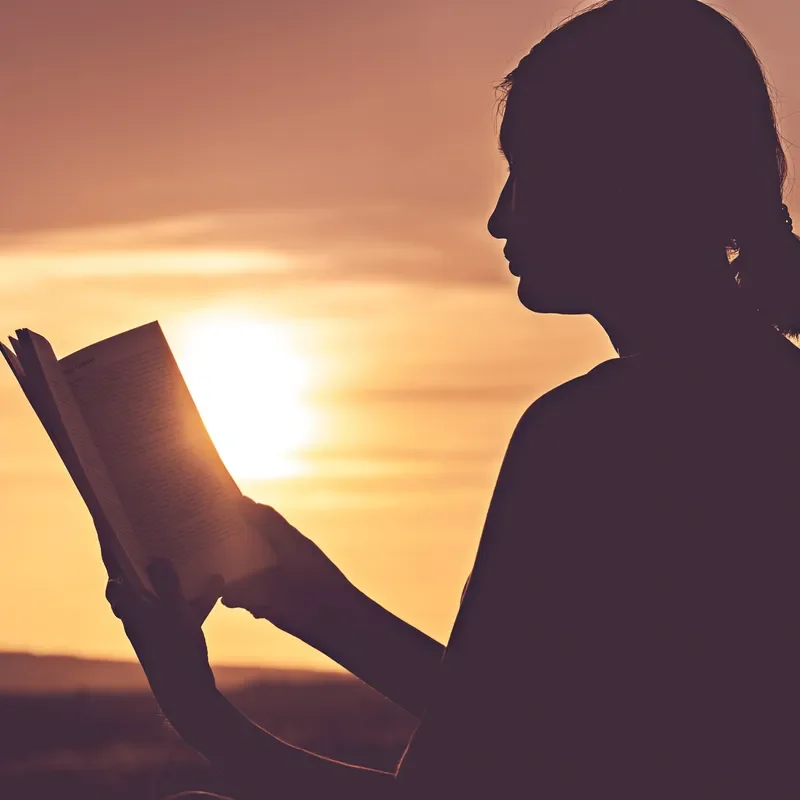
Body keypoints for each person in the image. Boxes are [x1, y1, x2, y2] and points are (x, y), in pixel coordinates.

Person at [104, 1, 800, 797]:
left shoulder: (591, 437)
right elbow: (542, 734)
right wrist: (312, 601)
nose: (500, 216)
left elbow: (462, 784)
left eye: (528, 173)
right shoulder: (771, 399)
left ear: (623, 182)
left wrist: (202, 716)